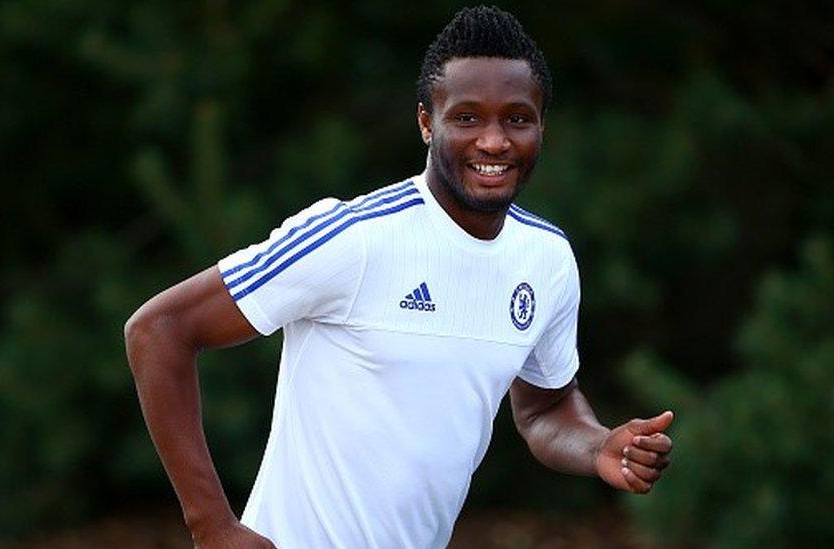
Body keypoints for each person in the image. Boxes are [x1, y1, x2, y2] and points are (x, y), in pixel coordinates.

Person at [125, 6, 674, 548]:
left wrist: (599, 445)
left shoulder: (546, 259)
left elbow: (544, 409)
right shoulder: (353, 238)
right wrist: (213, 528)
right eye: (467, 117)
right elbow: (159, 330)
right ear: (425, 122)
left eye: (516, 118)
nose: (494, 141)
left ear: (539, 126)